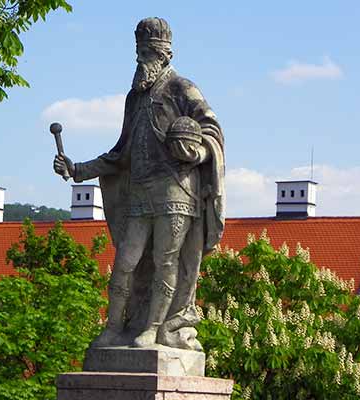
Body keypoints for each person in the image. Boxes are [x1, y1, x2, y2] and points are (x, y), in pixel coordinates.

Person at [53, 17, 225, 350]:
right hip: (140, 191)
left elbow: (212, 129)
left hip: (178, 191)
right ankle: (115, 327)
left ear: (165, 55)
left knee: (166, 261)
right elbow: (121, 153)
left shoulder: (181, 88)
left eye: (148, 52)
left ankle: (155, 329)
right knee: (125, 262)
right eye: (139, 52)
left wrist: (197, 149)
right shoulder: (134, 98)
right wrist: (78, 170)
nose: (140, 59)